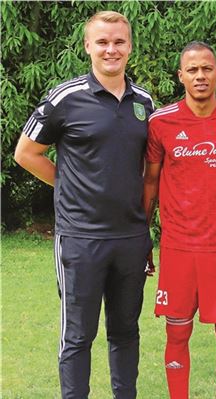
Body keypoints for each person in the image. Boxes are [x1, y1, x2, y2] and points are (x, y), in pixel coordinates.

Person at [14, 11, 154, 399]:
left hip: (130, 236)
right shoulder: (65, 98)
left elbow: (148, 165)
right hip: (80, 238)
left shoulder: (144, 102)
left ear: (129, 46)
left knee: (126, 331)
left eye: (119, 42)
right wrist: (68, 185)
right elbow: (26, 153)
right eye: (103, 42)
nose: (112, 49)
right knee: (78, 334)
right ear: (88, 46)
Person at [143, 41, 216, 399]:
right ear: (181, 76)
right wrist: (142, 235)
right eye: (192, 70)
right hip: (178, 246)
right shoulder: (161, 122)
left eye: (206, 68)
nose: (200, 76)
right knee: (177, 332)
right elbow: (150, 181)